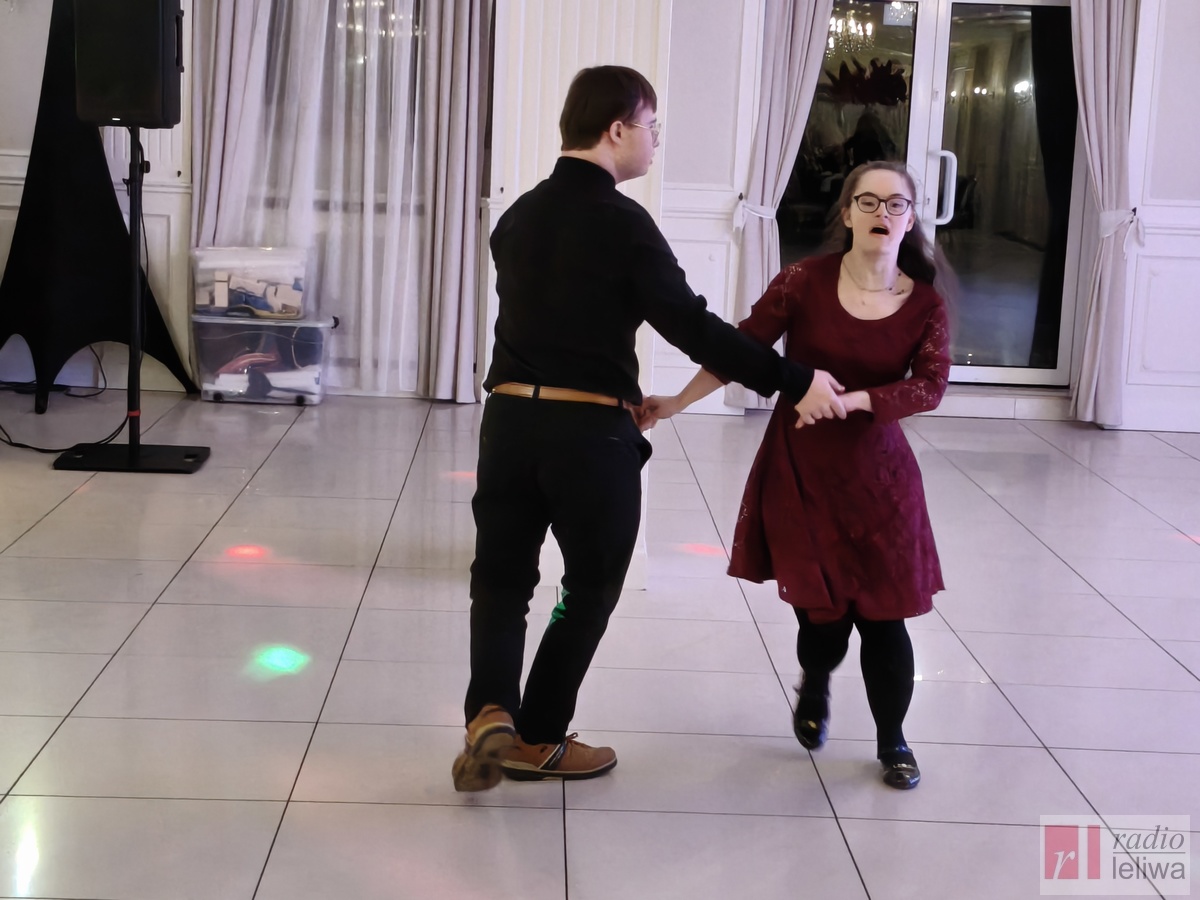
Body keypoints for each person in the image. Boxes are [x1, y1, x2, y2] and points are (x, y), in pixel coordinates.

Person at [451, 65, 848, 792]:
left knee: (501, 581)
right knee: (589, 586)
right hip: (587, 432)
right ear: (617, 130)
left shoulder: (518, 217)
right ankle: (538, 738)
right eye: (652, 127)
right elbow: (694, 328)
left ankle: (489, 713)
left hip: (507, 422)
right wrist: (796, 380)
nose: (656, 141)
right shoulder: (623, 223)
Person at [642, 161, 952, 790]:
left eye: (896, 204)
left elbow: (930, 386)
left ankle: (893, 740)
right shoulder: (803, 281)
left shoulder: (924, 303)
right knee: (823, 617)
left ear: (911, 219)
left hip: (881, 478)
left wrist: (855, 400)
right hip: (802, 469)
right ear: (847, 213)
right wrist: (676, 402)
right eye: (868, 201)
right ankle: (815, 681)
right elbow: (741, 349)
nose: (882, 213)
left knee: (886, 617)